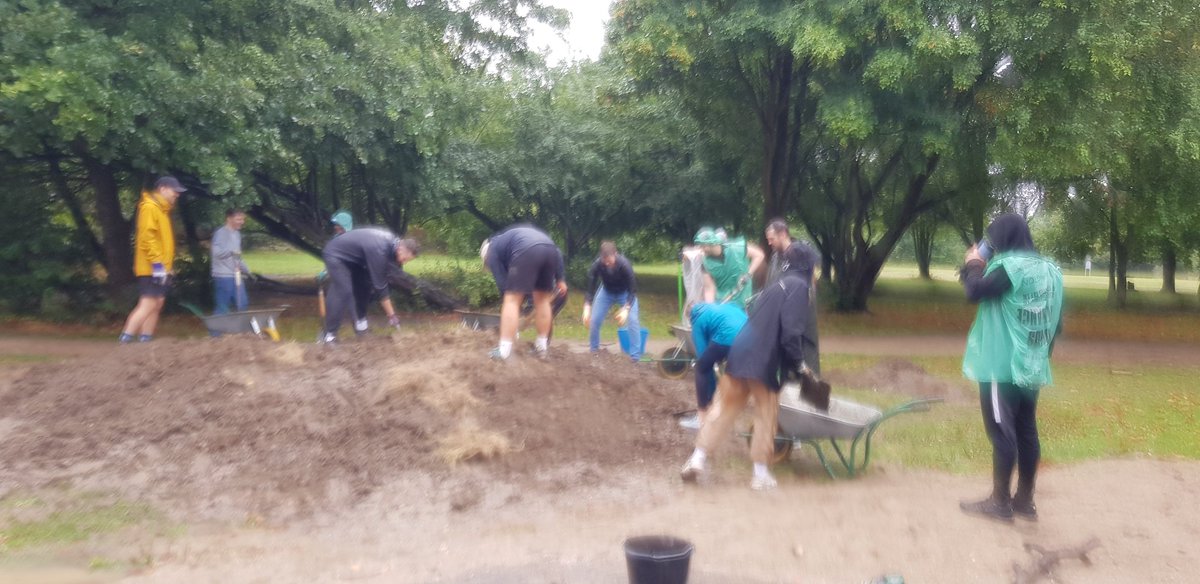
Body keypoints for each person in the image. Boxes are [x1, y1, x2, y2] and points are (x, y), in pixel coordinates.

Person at [680, 244, 826, 490]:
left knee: (723, 409)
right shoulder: (800, 287)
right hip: (764, 360)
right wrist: (800, 365)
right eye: (815, 267)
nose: (816, 272)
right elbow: (791, 333)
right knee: (766, 414)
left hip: (739, 351)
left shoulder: (776, 285)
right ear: (808, 266)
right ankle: (760, 475)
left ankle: (697, 460)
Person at [959, 213, 1064, 523]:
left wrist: (973, 263)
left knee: (1001, 431)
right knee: (1026, 429)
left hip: (1000, 365)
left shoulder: (1008, 268)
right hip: (1032, 363)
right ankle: (1025, 501)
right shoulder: (1049, 270)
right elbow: (1055, 320)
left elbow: (974, 291)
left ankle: (1000, 502)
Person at [480, 224, 568, 360]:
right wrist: (560, 278)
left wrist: (513, 319)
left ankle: (503, 351)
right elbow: (556, 251)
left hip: (527, 249)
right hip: (550, 249)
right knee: (542, 301)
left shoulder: (491, 252)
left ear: (485, 257)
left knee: (511, 300)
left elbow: (504, 287)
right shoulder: (505, 242)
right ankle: (541, 348)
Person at [319, 227, 419, 343]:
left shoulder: (392, 246)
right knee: (343, 291)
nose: (404, 262)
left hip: (355, 261)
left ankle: (361, 327)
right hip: (336, 255)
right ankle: (329, 335)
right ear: (401, 248)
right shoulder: (380, 249)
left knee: (365, 286)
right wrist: (392, 315)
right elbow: (380, 286)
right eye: (405, 258)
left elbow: (383, 277)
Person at [119, 176, 186, 343]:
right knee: (148, 304)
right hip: (151, 267)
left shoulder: (162, 210)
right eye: (174, 191)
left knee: (158, 303)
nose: (177, 194)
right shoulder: (149, 207)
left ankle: (145, 340)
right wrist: (157, 264)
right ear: (163, 189)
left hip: (160, 267)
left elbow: (162, 242)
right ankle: (125, 341)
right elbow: (147, 238)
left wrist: (167, 267)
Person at [317, 211, 403, 330]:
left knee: (361, 291)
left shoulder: (354, 236)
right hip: (341, 270)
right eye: (336, 226)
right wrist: (326, 270)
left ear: (345, 226)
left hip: (357, 270)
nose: (336, 228)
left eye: (339, 226)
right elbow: (335, 255)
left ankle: (360, 326)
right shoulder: (337, 238)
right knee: (344, 292)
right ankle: (330, 331)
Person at [764, 219, 822, 374]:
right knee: (786, 346)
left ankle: (810, 379)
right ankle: (789, 378)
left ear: (783, 234)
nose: (769, 243)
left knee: (805, 344)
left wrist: (807, 297)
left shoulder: (801, 252)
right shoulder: (776, 258)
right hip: (783, 309)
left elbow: (812, 279)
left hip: (801, 307)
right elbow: (772, 281)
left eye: (772, 239)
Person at [681, 302, 748, 430]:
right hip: (750, 336)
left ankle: (702, 417)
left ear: (690, 317)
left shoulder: (698, 321)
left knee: (701, 369)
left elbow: (704, 363)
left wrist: (709, 397)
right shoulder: (722, 308)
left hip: (727, 336)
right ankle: (724, 412)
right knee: (731, 373)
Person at [582, 241, 641, 362]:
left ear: (615, 254)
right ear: (601, 257)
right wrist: (587, 307)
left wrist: (626, 309)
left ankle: (635, 358)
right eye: (604, 260)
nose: (607, 263)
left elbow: (633, 290)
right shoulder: (597, 264)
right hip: (606, 292)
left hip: (625, 293)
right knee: (594, 320)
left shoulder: (625, 265)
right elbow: (590, 287)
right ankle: (594, 351)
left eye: (609, 260)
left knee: (633, 320)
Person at [695, 227, 765, 308]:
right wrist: (711, 308)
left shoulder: (736, 249)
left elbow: (759, 255)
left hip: (744, 300)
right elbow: (709, 288)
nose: (701, 249)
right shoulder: (704, 262)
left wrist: (748, 274)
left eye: (702, 246)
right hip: (724, 303)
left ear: (709, 244)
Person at [211, 209, 252, 315]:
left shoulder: (237, 234)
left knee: (242, 304)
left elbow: (237, 255)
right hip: (223, 275)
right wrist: (231, 251)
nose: (242, 222)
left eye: (243, 219)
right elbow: (217, 253)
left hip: (236, 274)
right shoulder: (221, 233)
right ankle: (217, 326)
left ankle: (239, 325)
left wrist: (246, 270)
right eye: (239, 219)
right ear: (229, 219)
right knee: (223, 307)